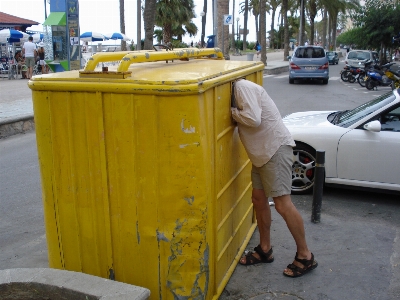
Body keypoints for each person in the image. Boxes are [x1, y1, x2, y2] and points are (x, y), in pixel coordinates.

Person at [231, 79, 317, 278]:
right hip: (261, 154)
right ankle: (265, 249)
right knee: (259, 200)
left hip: (274, 150)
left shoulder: (241, 87)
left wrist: (231, 113)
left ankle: (305, 256)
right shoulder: (237, 90)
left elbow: (253, 119)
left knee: (282, 204)